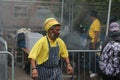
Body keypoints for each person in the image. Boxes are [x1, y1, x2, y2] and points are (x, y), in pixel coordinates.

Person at [88, 10, 101, 78]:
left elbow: (97, 34)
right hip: (93, 41)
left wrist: (94, 44)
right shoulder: (95, 22)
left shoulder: (96, 22)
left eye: (90, 16)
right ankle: (92, 70)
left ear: (92, 16)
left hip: (94, 42)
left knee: (93, 58)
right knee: (92, 57)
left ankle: (94, 72)